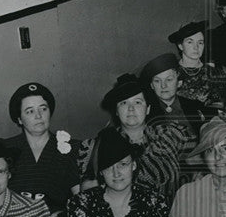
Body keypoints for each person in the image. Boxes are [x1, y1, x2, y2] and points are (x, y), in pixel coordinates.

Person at [79, 73, 196, 202]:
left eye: (138, 102)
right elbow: (87, 187)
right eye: (124, 103)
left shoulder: (169, 135)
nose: (131, 109)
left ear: (148, 109)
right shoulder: (101, 144)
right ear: (116, 112)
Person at [2, 82, 80, 217]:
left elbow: (82, 198)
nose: (38, 116)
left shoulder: (72, 148)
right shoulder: (5, 149)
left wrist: (64, 215)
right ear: (19, 119)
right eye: (30, 111)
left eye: (43, 109)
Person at [140, 52, 208, 132]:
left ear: (179, 83)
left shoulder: (195, 106)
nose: (163, 86)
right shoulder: (146, 113)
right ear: (152, 85)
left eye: (169, 80)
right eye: (157, 81)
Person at [169, 20, 226, 110]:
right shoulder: (171, 73)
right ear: (180, 46)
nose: (196, 47)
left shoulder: (214, 72)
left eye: (200, 42)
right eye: (190, 42)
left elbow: (220, 103)